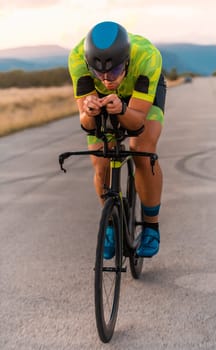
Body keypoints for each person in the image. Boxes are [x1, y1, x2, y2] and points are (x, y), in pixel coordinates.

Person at [68, 21, 166, 259]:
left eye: (112, 72)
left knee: (140, 148)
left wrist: (122, 109)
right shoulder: (77, 58)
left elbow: (137, 123)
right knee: (100, 160)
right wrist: (88, 112)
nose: (106, 79)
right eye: (98, 73)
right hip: (104, 100)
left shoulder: (147, 57)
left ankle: (151, 226)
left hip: (139, 96)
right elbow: (87, 125)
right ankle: (111, 224)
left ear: (127, 61)